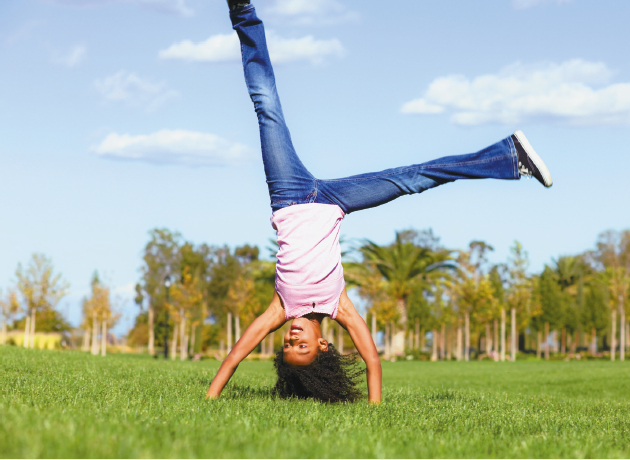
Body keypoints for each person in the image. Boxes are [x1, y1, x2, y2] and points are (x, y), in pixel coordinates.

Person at [206, 0, 553, 404]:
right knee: (413, 179)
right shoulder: (340, 307)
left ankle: (241, 11)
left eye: (285, 347)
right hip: (336, 201)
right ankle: (509, 156)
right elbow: (372, 360)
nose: (291, 338)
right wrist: (374, 411)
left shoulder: (279, 308)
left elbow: (233, 357)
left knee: (267, 108)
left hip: (289, 194)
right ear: (323, 346)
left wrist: (210, 400)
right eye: (300, 347)